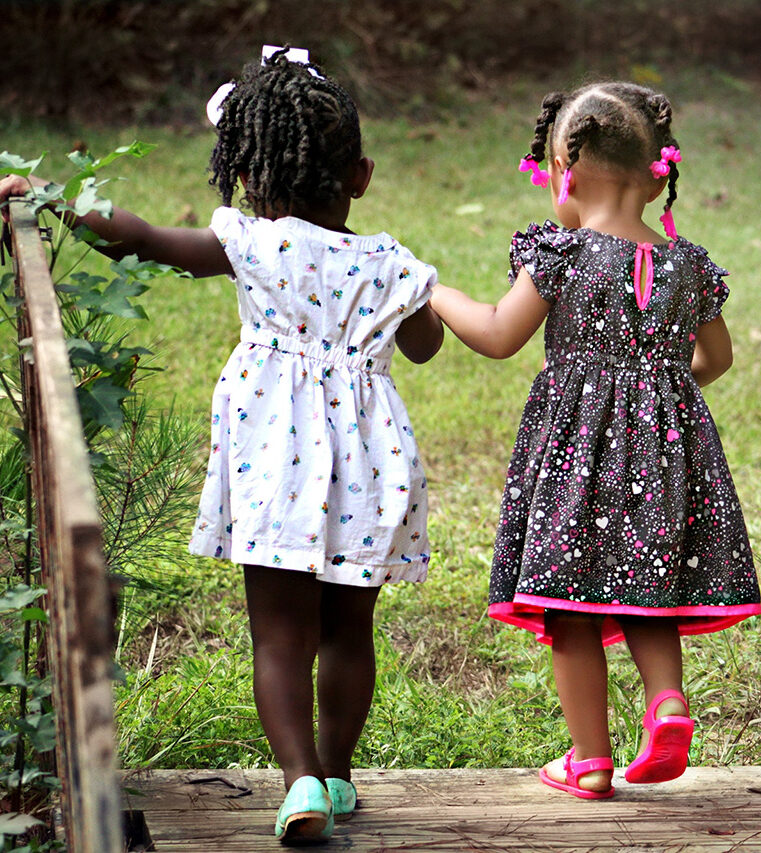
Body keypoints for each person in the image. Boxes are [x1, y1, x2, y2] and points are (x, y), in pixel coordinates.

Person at [1, 47, 443, 843]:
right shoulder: (389, 263)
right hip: (371, 468)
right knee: (350, 631)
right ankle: (340, 776)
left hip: (274, 459)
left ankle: (300, 780)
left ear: (243, 174)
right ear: (362, 175)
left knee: (280, 636)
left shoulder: (248, 242)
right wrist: (394, 299)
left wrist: (53, 199)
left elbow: (139, 239)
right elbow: (423, 346)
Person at [429, 81, 761, 799]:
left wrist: (431, 291)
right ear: (656, 173)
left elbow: (495, 333)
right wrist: (662, 400)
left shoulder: (562, 255)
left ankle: (588, 758)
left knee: (570, 604)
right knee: (649, 588)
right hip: (664, 459)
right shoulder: (689, 265)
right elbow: (716, 359)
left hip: (575, 462)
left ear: (564, 173)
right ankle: (666, 702)